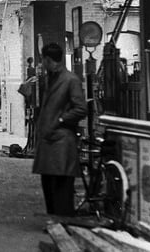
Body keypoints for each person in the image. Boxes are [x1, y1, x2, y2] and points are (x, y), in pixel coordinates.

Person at [33, 42, 87, 216]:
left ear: (48, 60)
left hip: (62, 142)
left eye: (43, 60)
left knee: (61, 187)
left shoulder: (70, 80)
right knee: (48, 185)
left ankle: (63, 222)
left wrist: (62, 119)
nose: (42, 63)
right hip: (49, 142)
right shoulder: (50, 79)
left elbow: (81, 108)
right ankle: (54, 221)